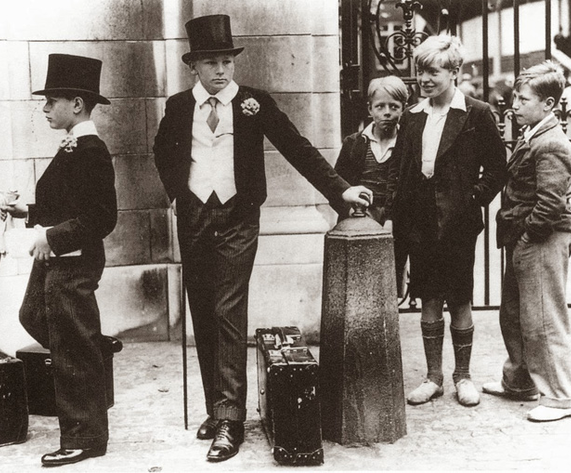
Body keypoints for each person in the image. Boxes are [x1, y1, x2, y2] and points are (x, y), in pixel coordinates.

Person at [153, 14, 372, 462]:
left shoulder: (254, 102)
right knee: (202, 311)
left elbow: (297, 147)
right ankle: (218, 406)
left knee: (229, 309)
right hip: (195, 217)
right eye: (210, 62)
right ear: (193, 66)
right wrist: (178, 191)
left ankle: (230, 420)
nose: (220, 70)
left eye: (226, 61)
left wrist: (339, 189)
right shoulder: (178, 107)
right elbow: (161, 150)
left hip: (238, 218)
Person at [0, 54, 117, 466]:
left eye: (51, 101)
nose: (45, 108)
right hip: (56, 258)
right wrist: (27, 214)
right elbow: (65, 203)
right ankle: (94, 346)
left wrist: (49, 235)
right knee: (32, 315)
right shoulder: (72, 146)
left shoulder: (91, 150)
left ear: (77, 105)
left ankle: (85, 438)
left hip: (74, 260)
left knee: (69, 344)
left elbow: (101, 218)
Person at [389, 35, 507, 407]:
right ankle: (433, 377)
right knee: (428, 297)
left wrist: (471, 199)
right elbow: (403, 170)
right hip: (419, 222)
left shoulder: (477, 113)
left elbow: (498, 168)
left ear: (454, 72)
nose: (424, 78)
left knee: (459, 298)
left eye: (433, 71)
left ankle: (463, 376)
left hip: (457, 223)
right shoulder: (411, 116)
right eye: (420, 70)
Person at [484, 61, 571, 422]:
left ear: (549, 104)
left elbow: (551, 203)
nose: (515, 105)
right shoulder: (535, 134)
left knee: (543, 318)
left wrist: (527, 238)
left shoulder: (552, 143)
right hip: (528, 237)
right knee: (515, 314)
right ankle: (520, 382)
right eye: (516, 98)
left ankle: (561, 396)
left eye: (523, 99)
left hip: (543, 238)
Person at [332, 75, 409, 296]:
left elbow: (408, 188)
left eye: (394, 107)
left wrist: (393, 219)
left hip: (393, 223)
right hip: (359, 220)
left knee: (389, 287)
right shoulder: (354, 143)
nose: (387, 112)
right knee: (357, 283)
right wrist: (349, 213)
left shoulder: (406, 144)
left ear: (403, 108)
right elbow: (337, 186)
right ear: (370, 109)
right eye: (380, 106)